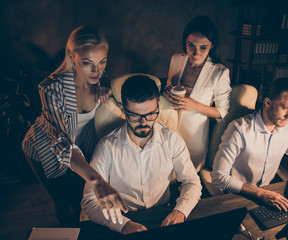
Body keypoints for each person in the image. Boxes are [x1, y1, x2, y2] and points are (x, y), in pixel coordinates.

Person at [22, 26, 127, 226]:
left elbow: (116, 110)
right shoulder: (50, 88)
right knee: (61, 204)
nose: (97, 70)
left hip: (83, 153)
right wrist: (97, 180)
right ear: (72, 55)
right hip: (44, 150)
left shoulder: (101, 81)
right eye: (87, 63)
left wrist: (109, 97)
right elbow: (62, 141)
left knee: (78, 203)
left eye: (102, 62)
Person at [81, 75, 202, 234]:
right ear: (122, 108)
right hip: (122, 220)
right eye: (135, 115)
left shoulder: (172, 139)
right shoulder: (106, 147)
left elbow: (192, 182)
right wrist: (123, 224)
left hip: (162, 217)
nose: (144, 123)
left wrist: (180, 211)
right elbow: (90, 201)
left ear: (158, 105)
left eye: (151, 114)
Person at [211, 78, 288, 212]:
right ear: (268, 102)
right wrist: (259, 193)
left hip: (268, 193)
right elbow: (219, 177)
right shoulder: (238, 129)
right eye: (285, 108)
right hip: (238, 194)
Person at [162, 15, 231, 172]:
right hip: (168, 129)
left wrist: (194, 105)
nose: (195, 52)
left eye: (203, 47)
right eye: (191, 45)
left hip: (194, 138)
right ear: (185, 41)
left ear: (212, 46)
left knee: (188, 180)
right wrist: (167, 91)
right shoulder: (176, 59)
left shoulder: (219, 72)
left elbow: (222, 113)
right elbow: (168, 86)